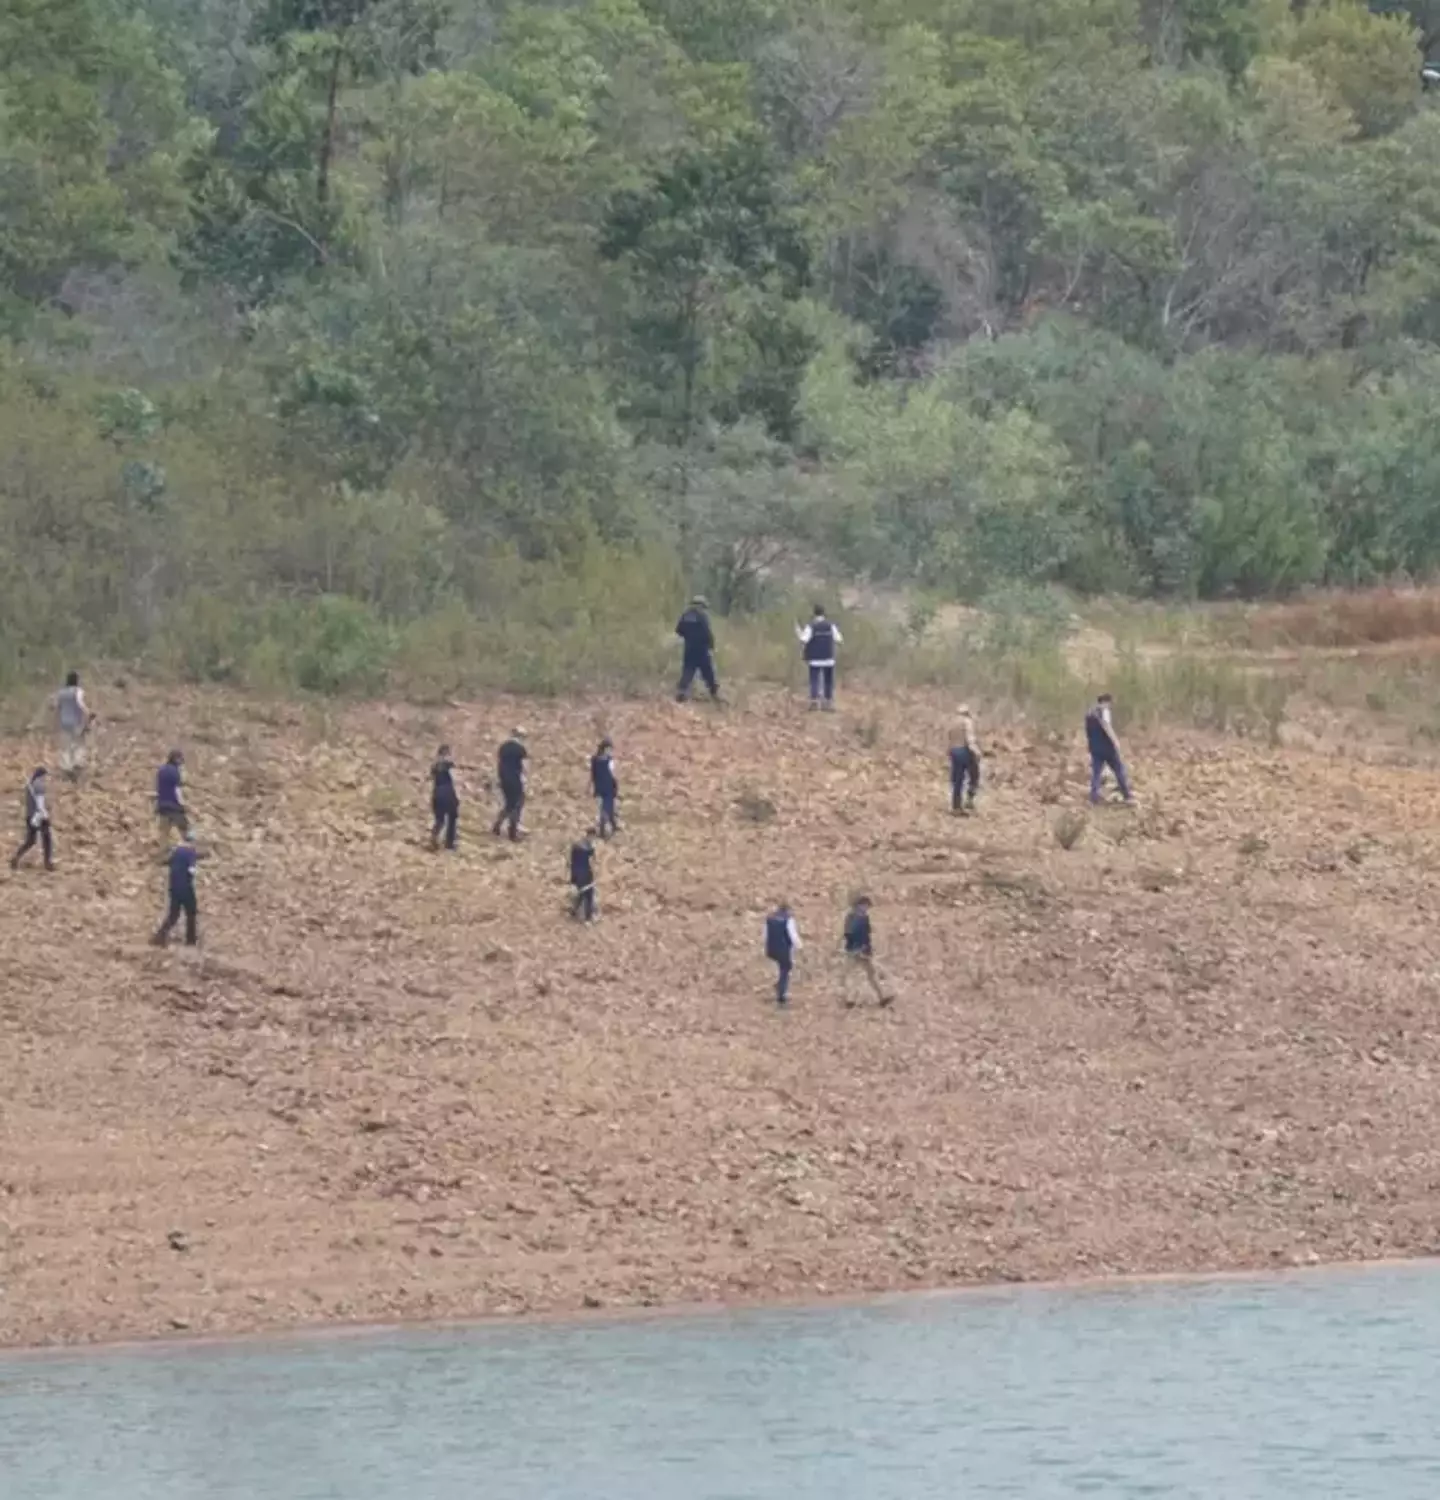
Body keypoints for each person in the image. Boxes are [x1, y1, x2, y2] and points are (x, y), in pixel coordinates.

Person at [152, 831, 203, 947]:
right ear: (193, 841)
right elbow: (192, 870)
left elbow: (166, 862)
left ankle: (159, 937)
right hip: (186, 887)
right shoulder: (191, 852)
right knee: (191, 912)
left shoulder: (176, 851)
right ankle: (191, 940)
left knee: (173, 914)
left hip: (173, 887)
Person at [1085, 692, 1134, 805]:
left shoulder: (1089, 713)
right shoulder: (1104, 712)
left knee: (1096, 773)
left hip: (1095, 748)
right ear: (1106, 702)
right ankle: (1127, 795)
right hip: (1108, 748)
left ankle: (1093, 799)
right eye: (1110, 703)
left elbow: (1088, 732)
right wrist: (1115, 740)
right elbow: (1106, 726)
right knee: (1119, 770)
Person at [843, 895, 890, 1007]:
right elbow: (850, 934)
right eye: (865, 906)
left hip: (860, 950)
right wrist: (858, 948)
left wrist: (865, 949)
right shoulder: (854, 918)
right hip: (857, 951)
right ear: (860, 905)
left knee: (863, 974)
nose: (866, 908)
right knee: (861, 974)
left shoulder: (860, 917)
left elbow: (864, 935)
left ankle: (851, 1000)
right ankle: (880, 998)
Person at [795, 605, 843, 710]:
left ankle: (814, 702)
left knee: (814, 680)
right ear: (824, 613)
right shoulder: (831, 626)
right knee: (828, 681)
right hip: (829, 658)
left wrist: (798, 632)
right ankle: (828, 703)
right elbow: (839, 639)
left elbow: (804, 640)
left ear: (814, 614)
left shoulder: (811, 626)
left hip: (815, 659)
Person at [675, 596, 720, 702]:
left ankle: (682, 691)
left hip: (689, 647)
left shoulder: (685, 615)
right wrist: (711, 645)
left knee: (688, 670)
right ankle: (714, 691)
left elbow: (678, 630)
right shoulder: (702, 616)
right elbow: (707, 632)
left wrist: (688, 636)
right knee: (707, 671)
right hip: (701, 649)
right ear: (701, 605)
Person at [10, 767, 53, 872]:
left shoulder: (30, 785)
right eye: (45, 776)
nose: (46, 778)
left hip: (29, 816)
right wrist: (45, 815)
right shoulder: (39, 785)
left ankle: (16, 857)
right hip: (39, 816)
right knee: (47, 840)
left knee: (30, 840)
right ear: (42, 775)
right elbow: (40, 804)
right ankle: (48, 863)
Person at [55, 671, 92, 781]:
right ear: (77, 680)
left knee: (66, 745)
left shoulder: (61, 693)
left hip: (64, 722)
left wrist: (56, 721)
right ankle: (77, 762)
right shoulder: (78, 691)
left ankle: (67, 766)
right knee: (78, 743)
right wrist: (88, 713)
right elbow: (80, 703)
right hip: (76, 722)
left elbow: (57, 707)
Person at [492, 729, 527, 840]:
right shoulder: (520, 749)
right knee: (517, 804)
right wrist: (525, 780)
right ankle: (512, 832)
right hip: (515, 779)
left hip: (503, 779)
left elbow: (499, 763)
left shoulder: (503, 747)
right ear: (520, 736)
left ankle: (497, 825)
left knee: (509, 804)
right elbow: (525, 767)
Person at [764, 901, 801, 1006]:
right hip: (784, 949)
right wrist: (799, 946)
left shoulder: (770, 919)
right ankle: (781, 994)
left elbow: (765, 934)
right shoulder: (788, 920)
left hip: (772, 948)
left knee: (782, 967)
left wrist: (767, 946)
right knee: (786, 968)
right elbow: (792, 935)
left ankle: (779, 985)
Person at [950, 704, 980, 814]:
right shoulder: (967, 722)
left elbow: (949, 738)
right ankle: (970, 799)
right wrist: (977, 752)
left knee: (957, 779)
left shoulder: (952, 723)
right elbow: (970, 739)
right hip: (965, 750)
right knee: (974, 775)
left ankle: (956, 806)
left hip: (954, 751)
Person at [429, 744, 459, 851]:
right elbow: (450, 764)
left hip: (437, 793)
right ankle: (449, 843)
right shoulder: (445, 763)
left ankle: (434, 836)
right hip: (447, 792)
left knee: (440, 819)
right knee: (452, 816)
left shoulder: (434, 765)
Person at [156, 749, 189, 837]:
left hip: (161, 805)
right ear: (176, 759)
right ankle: (186, 847)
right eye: (181, 760)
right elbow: (177, 790)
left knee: (163, 833)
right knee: (184, 829)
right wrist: (183, 804)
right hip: (173, 806)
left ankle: (163, 848)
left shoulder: (161, 770)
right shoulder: (175, 772)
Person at [591, 737, 619, 837]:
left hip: (604, 787)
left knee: (608, 807)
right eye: (609, 749)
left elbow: (594, 774)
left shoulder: (599, 760)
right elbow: (611, 773)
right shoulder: (603, 760)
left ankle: (613, 825)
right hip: (604, 787)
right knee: (606, 807)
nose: (610, 751)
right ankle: (605, 827)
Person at [569, 830, 597, 921]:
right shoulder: (586, 848)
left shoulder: (577, 845)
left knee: (580, 894)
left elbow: (572, 863)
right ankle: (588, 917)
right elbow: (591, 860)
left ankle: (574, 911)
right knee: (588, 895)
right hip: (584, 874)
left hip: (578, 873)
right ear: (590, 835)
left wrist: (573, 880)